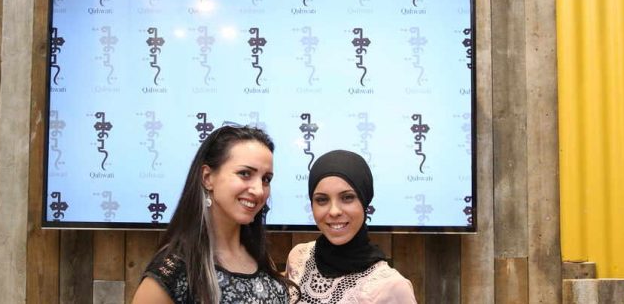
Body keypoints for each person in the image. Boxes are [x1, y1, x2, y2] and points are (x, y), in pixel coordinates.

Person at [132, 125, 295, 304]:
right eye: (245, 173)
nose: (259, 190)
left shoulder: (260, 258)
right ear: (207, 177)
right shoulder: (174, 271)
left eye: (266, 179)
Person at [285, 149, 417, 303]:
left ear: (364, 201)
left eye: (347, 197)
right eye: (322, 200)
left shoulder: (393, 287)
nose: (334, 211)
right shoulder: (298, 258)